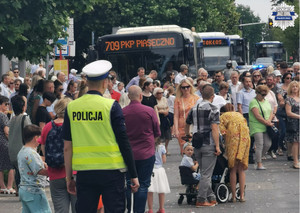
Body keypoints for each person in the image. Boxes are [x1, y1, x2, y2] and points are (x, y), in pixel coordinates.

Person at [63, 60, 139, 213]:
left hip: (85, 173)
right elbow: (124, 142)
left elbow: (67, 147)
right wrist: (133, 174)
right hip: (112, 171)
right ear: (105, 83)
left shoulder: (72, 107)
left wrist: (69, 178)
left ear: (87, 82)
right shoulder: (111, 106)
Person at [123, 85, 160, 213]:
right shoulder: (149, 111)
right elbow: (157, 131)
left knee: (129, 183)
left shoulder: (123, 112)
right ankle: (139, 210)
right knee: (143, 184)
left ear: (128, 96)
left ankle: (130, 209)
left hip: (128, 154)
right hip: (146, 153)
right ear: (140, 96)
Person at [185, 85, 221, 207]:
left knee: (204, 172)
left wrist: (188, 135)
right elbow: (215, 129)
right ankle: (201, 199)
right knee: (206, 174)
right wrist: (217, 146)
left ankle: (211, 197)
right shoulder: (213, 109)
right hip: (208, 143)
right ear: (212, 96)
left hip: (197, 144)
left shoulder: (194, 108)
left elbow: (187, 122)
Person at [39, 98, 76, 213]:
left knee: (60, 210)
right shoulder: (75, 126)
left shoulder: (48, 127)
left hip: (55, 174)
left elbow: (43, 149)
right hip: (75, 173)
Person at [219, 103, 250, 202]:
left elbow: (222, 132)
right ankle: (241, 196)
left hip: (233, 141)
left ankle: (233, 197)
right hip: (244, 141)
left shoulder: (223, 117)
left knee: (232, 169)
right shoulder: (239, 115)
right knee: (241, 169)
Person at [17, 124, 51, 213]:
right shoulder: (31, 153)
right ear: (35, 138)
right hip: (34, 191)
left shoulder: (22, 151)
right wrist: (53, 171)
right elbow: (40, 171)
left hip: (24, 190)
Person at [8, 95, 31, 193]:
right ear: (23, 107)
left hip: (12, 150)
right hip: (21, 150)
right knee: (24, 172)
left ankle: (18, 190)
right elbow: (30, 132)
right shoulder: (24, 118)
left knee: (18, 171)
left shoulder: (12, 119)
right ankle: (23, 191)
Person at [249, 85, 274, 170]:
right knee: (259, 144)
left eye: (265, 95)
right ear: (257, 93)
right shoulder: (253, 102)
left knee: (268, 144)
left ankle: (259, 156)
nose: (263, 96)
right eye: (262, 94)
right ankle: (259, 163)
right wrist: (267, 122)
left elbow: (271, 112)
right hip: (256, 125)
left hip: (266, 125)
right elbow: (257, 116)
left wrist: (269, 121)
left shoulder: (266, 101)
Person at [174, 79, 199, 155]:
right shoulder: (178, 99)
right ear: (180, 89)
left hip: (193, 126)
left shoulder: (196, 98)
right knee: (184, 149)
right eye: (183, 87)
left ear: (190, 87)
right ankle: (185, 165)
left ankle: (194, 166)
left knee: (193, 149)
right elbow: (176, 115)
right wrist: (176, 129)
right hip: (181, 127)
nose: (186, 89)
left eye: (187, 87)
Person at [146, 139, 170, 213]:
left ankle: (150, 209)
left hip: (150, 169)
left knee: (150, 191)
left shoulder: (148, 146)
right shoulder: (162, 147)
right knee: (161, 190)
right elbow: (164, 160)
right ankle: (161, 209)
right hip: (160, 170)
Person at [0, 96, 15, 194]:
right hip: (4, 142)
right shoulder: (3, 116)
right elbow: (7, 131)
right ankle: (9, 186)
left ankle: (2, 186)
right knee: (11, 165)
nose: (7, 106)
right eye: (6, 104)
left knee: (0, 166)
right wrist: (11, 141)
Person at [285, 81, 300, 169]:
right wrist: (299, 116)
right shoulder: (289, 99)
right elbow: (288, 112)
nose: (295, 88)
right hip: (294, 122)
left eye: (296, 86)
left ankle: (298, 159)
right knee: (295, 142)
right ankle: (295, 161)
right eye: (293, 86)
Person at [154, 87, 171, 155]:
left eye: (162, 93)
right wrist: (161, 111)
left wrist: (166, 111)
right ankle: (160, 149)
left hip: (165, 117)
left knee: (168, 134)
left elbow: (167, 106)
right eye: (159, 93)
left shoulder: (164, 99)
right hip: (159, 116)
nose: (160, 94)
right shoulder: (154, 100)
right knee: (160, 134)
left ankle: (166, 148)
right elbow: (155, 108)